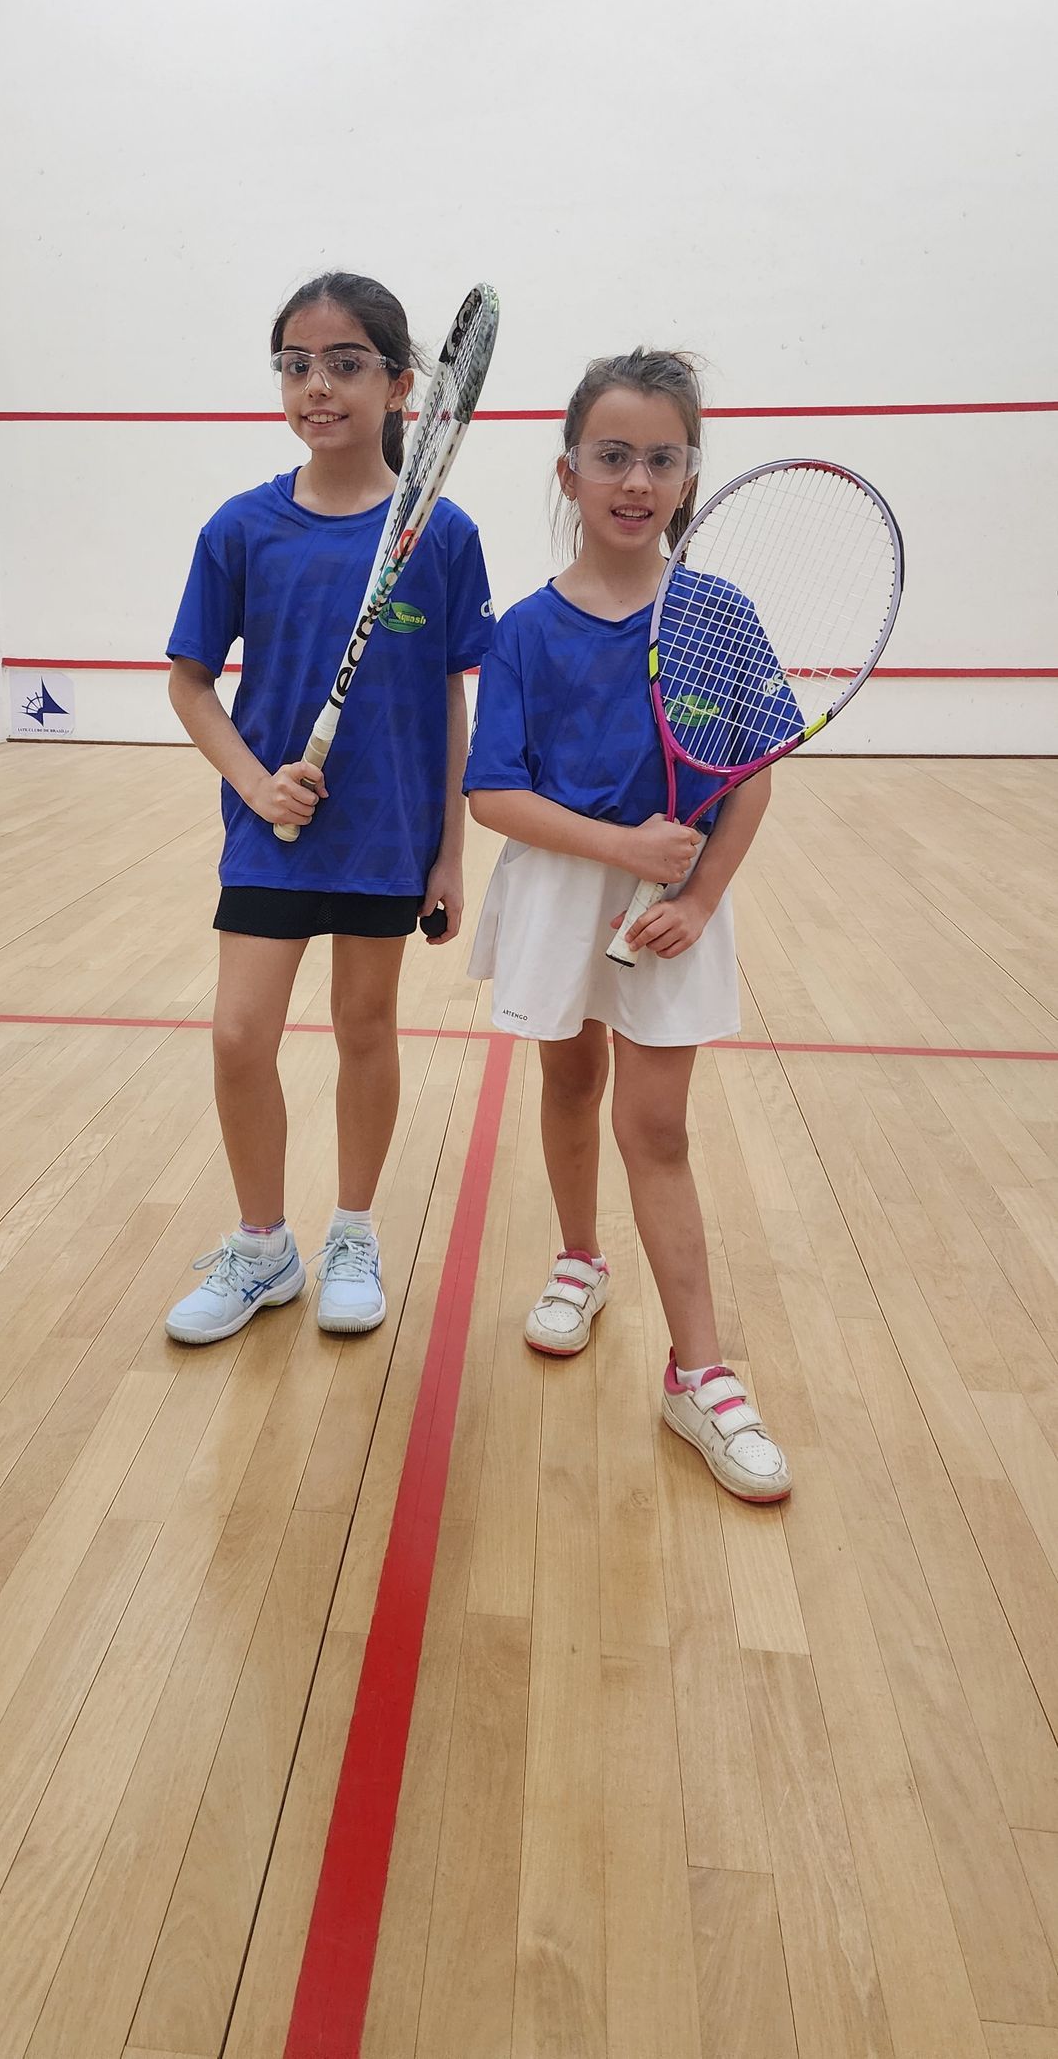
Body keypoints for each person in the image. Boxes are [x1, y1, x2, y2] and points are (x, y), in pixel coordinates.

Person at [465, 349, 791, 1502]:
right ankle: (575, 1258)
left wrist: (696, 895)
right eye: (611, 454)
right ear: (567, 470)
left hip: (671, 907)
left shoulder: (717, 614)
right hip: (565, 884)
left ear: (689, 474)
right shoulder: (522, 628)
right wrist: (621, 851)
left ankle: (696, 1371)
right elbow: (491, 794)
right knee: (567, 1085)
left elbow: (752, 773)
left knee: (655, 1128)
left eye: (661, 456)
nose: (635, 478)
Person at [164, 272, 493, 1346]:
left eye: (345, 363)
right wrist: (253, 779)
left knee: (364, 1027)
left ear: (404, 385)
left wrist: (448, 854)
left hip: (385, 832)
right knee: (236, 1036)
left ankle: (352, 1228)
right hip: (272, 829)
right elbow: (189, 682)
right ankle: (263, 1244)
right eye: (296, 364)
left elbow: (449, 695)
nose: (317, 385)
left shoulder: (439, 537)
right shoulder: (240, 528)